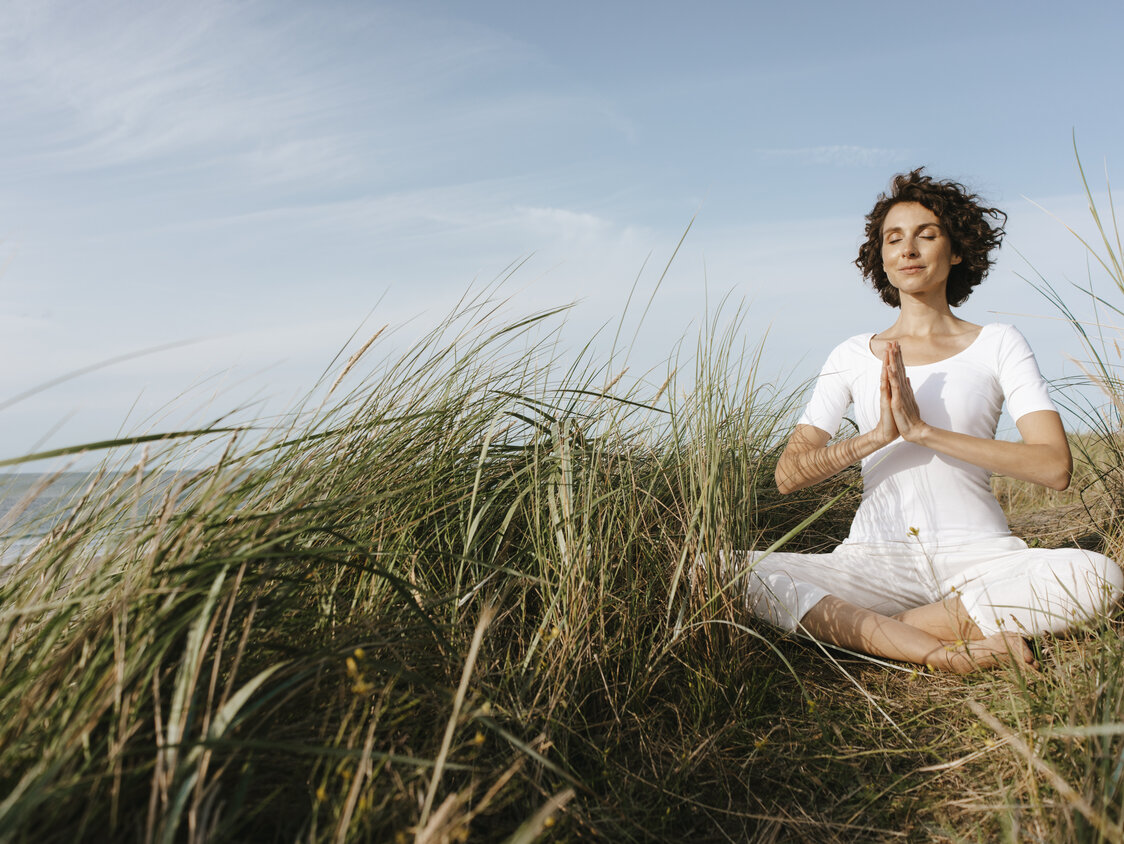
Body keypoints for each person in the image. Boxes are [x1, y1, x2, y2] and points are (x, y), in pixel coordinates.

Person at [727, 168, 1122, 673]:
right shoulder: (852, 354)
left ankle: (869, 629)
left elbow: (1053, 468)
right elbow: (788, 475)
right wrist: (875, 438)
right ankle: (941, 651)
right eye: (894, 239)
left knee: (1100, 576)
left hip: (982, 559)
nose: (908, 249)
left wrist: (924, 432)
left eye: (926, 235)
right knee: (716, 570)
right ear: (882, 259)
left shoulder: (999, 343)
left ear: (955, 251)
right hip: (872, 563)